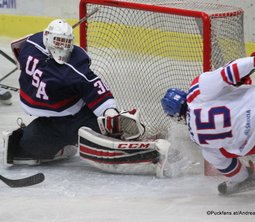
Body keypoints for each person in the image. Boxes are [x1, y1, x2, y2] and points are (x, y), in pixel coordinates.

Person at [3, 19, 168, 177]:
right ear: (48, 38)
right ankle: (62, 146)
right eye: (58, 41)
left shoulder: (75, 67)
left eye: (66, 42)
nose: (62, 46)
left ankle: (138, 139)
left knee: (110, 132)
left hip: (78, 116)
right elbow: (19, 47)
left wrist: (110, 112)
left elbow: (94, 87)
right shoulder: (33, 44)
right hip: (50, 120)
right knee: (25, 148)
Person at [161, 45, 255, 195]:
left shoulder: (196, 137)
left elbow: (229, 149)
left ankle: (242, 179)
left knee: (212, 153)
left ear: (176, 116)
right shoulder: (196, 90)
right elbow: (228, 72)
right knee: (254, 130)